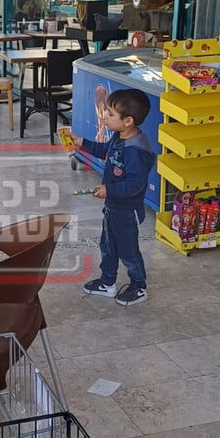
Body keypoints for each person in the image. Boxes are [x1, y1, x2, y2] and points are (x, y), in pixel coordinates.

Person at [72, 89, 155, 307]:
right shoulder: (119, 137)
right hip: (113, 207)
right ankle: (108, 282)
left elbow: (134, 184)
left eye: (109, 114)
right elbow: (104, 151)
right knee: (108, 245)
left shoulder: (137, 150)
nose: (104, 117)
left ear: (128, 121)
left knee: (128, 251)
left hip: (127, 210)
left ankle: (139, 286)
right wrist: (81, 142)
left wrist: (110, 190)